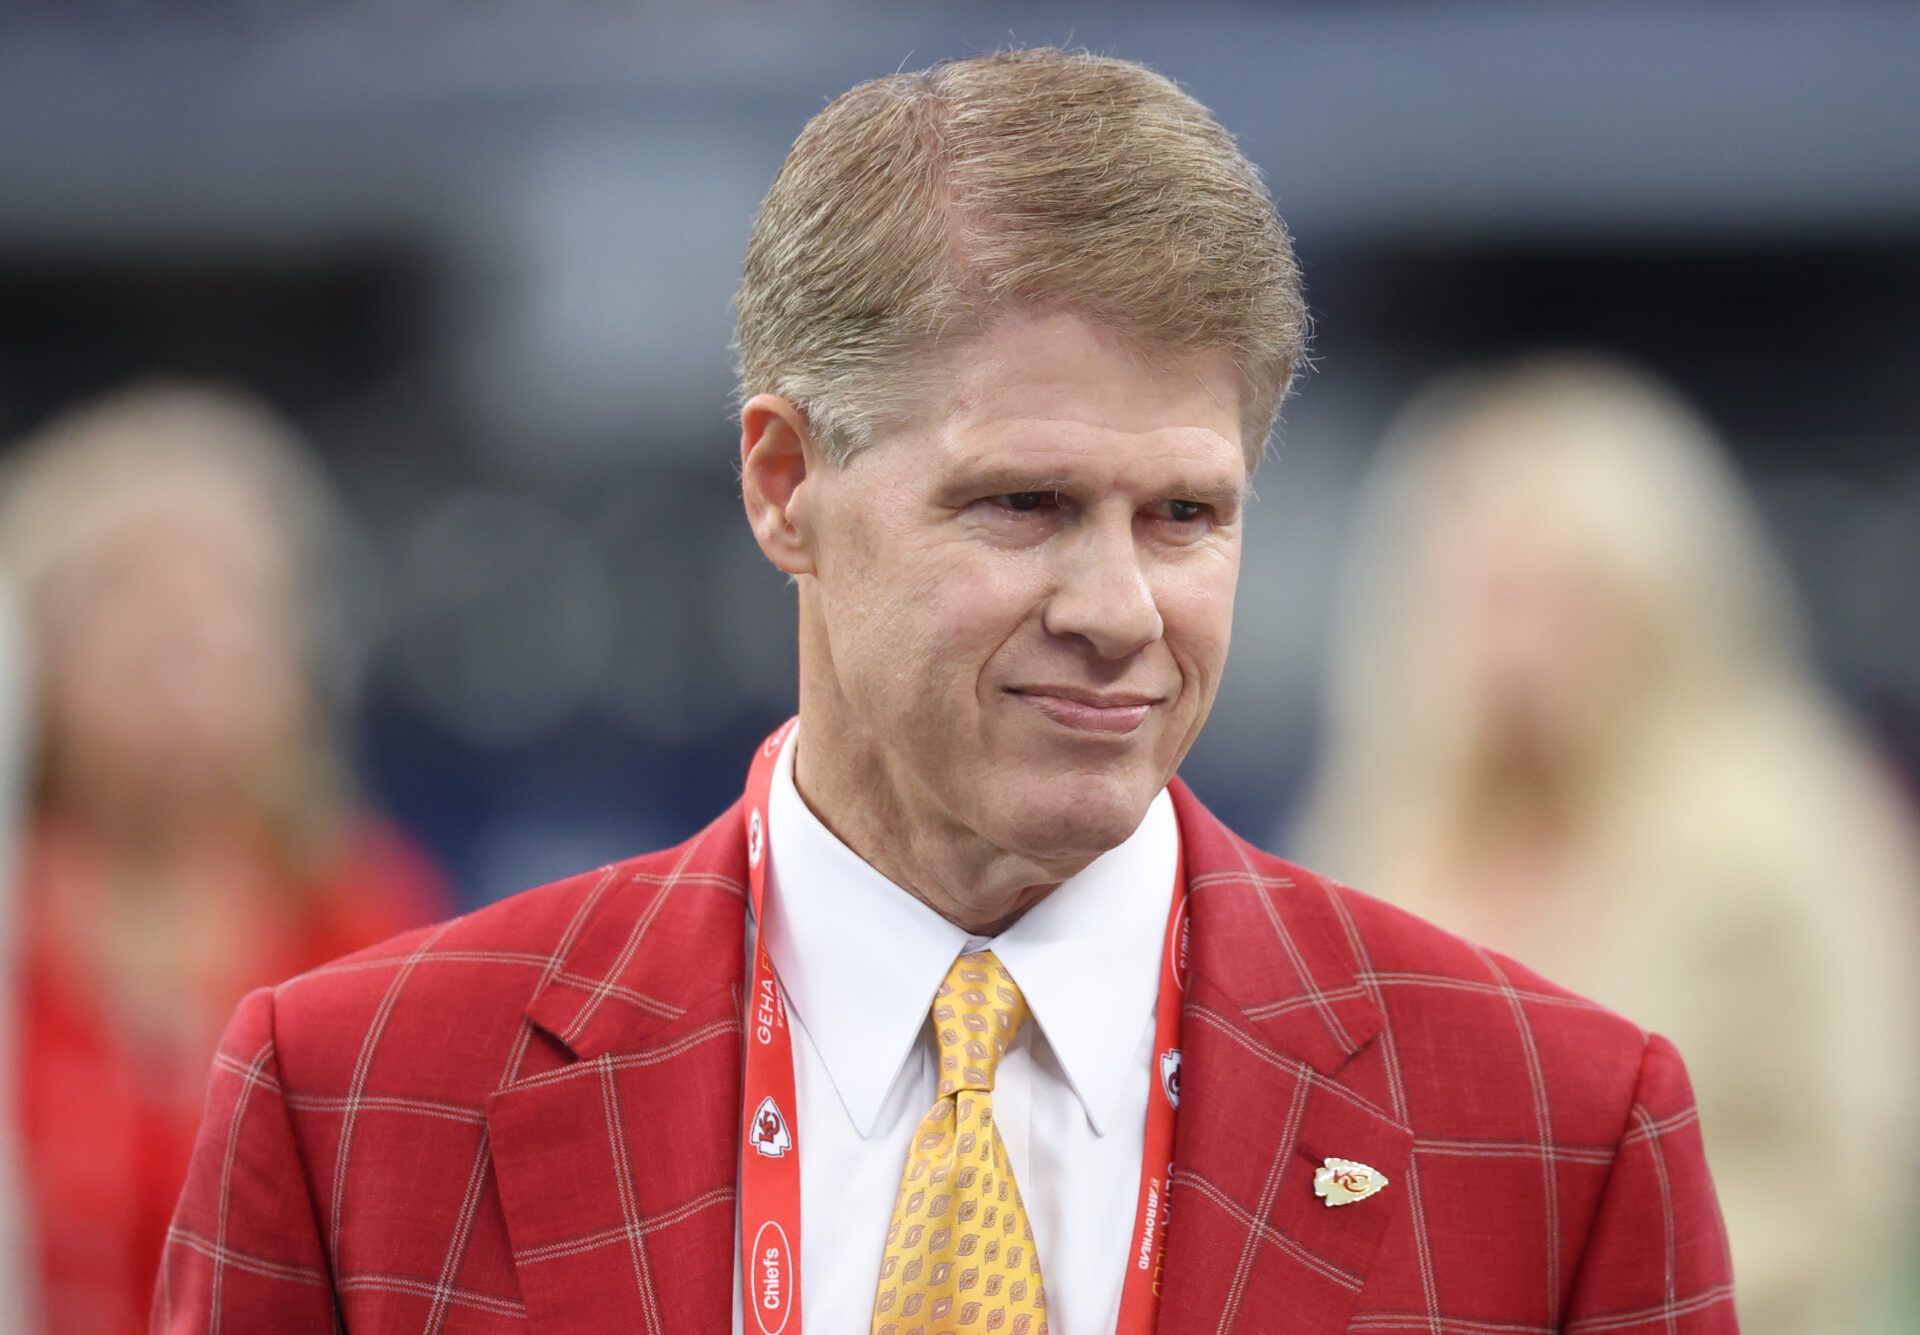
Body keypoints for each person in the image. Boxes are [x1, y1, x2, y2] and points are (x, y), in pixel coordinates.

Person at [157, 51, 1736, 1334]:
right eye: (1024, 506)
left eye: (1185, 514)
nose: (1119, 611)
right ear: (784, 484)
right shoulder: (360, 1103)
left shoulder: (1560, 1131)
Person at [1293, 356, 1920, 1335]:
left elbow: (1846, 1172)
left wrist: (1580, 1286)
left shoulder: (1779, 819)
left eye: (1555, 597)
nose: (1514, 649)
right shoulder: (1385, 825)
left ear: (1653, 595)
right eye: (1483, 597)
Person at [0, 382, 452, 1334]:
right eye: (125, 598)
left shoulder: (365, 915)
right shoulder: (16, 917)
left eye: (230, 602)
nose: (187, 647)